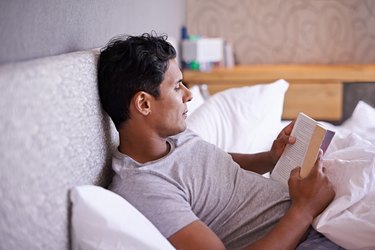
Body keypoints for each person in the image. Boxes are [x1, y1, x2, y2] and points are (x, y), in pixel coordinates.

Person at [97, 33, 338, 249]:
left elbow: (211, 168)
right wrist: (303, 211)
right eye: (177, 87)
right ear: (144, 104)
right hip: (306, 238)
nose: (189, 95)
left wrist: (270, 158)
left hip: (315, 216)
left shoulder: (174, 135)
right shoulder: (144, 187)